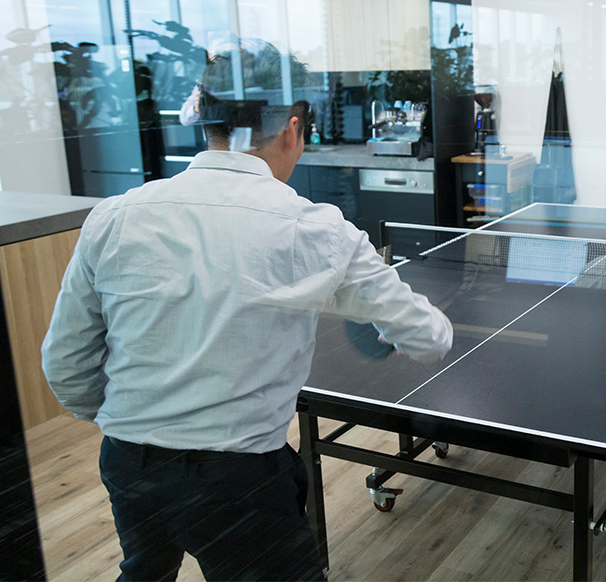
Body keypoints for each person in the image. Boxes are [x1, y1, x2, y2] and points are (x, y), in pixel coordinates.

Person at [40, 46, 453, 582]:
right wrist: (403, 328)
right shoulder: (319, 230)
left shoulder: (114, 216)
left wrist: (133, 426)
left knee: (144, 571)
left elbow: (65, 364)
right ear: (292, 129)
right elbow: (431, 338)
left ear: (207, 123)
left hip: (128, 464)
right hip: (237, 482)